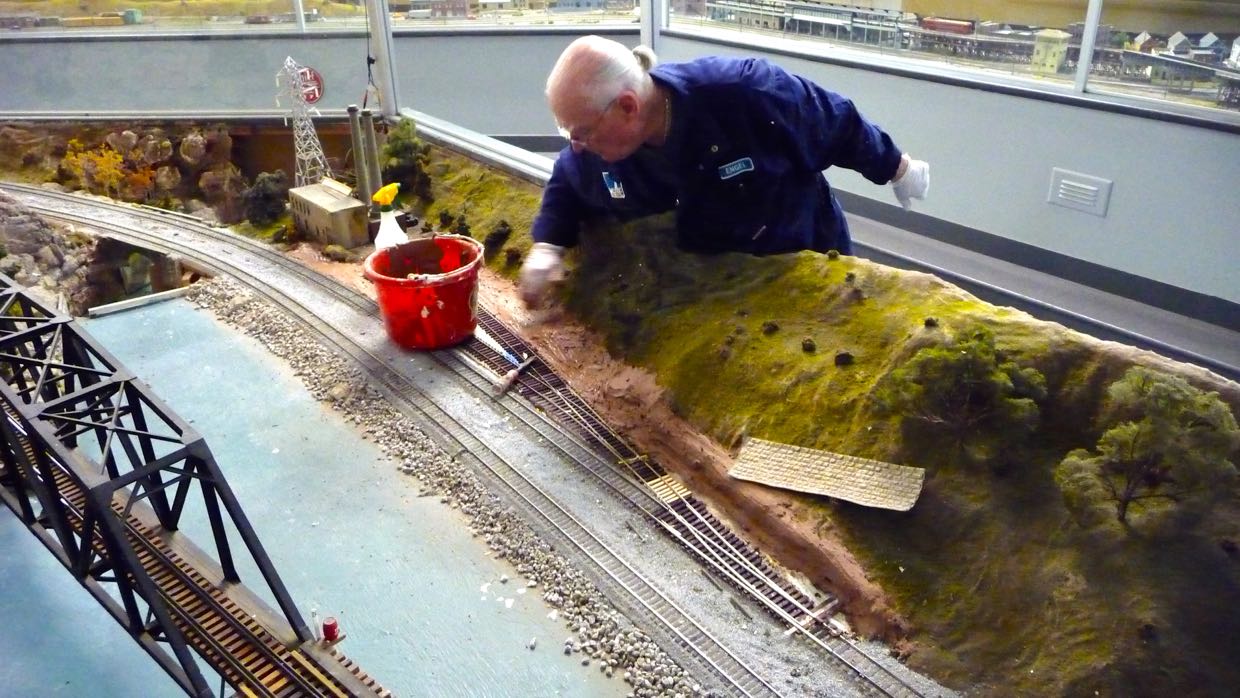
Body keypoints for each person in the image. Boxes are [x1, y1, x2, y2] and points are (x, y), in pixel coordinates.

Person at [520, 35, 930, 308]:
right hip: (717, 272)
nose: (576, 144)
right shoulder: (599, 145)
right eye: (568, 132)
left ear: (628, 106)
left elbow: (836, 123)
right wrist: (548, 244)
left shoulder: (745, 93)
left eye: (581, 131)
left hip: (801, 251)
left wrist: (896, 167)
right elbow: (567, 176)